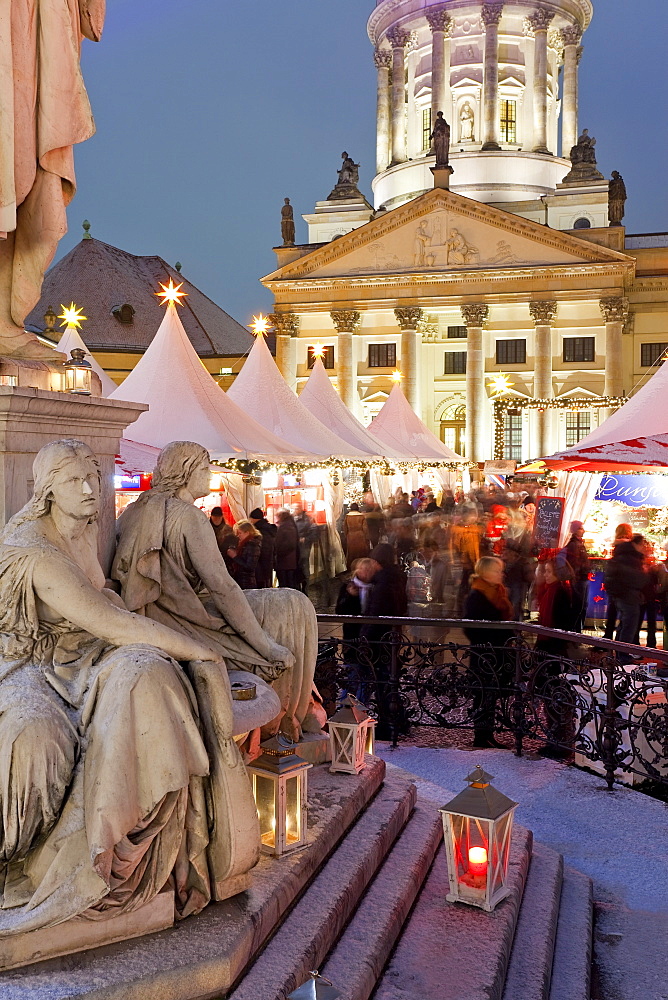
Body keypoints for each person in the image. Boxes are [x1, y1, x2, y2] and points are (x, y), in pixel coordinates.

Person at [0, 440, 261, 937]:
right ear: (47, 490)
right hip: (32, 665)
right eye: (75, 482)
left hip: (81, 657)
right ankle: (28, 860)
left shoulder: (84, 529)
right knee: (38, 737)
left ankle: (135, 830)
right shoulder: (36, 550)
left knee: (147, 676)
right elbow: (111, 623)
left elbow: (103, 601)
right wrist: (199, 649)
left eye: (92, 479)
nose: (89, 490)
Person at [113, 444, 322, 742]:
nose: (208, 474)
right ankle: (289, 717)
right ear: (186, 472)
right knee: (294, 604)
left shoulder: (132, 512)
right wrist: (264, 646)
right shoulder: (187, 517)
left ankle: (292, 713)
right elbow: (222, 587)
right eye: (203, 468)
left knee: (289, 604)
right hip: (187, 617)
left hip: (160, 614)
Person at [463, 556, 515, 749]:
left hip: (499, 652)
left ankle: (487, 734)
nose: (500, 574)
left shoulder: (498, 592)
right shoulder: (477, 595)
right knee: (483, 694)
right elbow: (470, 627)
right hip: (484, 654)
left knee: (491, 694)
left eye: (500, 570)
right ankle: (481, 735)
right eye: (496, 570)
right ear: (484, 573)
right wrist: (489, 641)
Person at [603, 535, 649, 650]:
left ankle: (619, 652)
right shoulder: (630, 557)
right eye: (643, 544)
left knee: (625, 624)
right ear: (637, 544)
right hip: (627, 595)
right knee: (629, 625)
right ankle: (623, 655)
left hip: (622, 594)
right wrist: (646, 575)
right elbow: (635, 577)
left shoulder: (624, 554)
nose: (644, 547)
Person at [603, 523, 633, 639]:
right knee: (625, 614)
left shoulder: (616, 546)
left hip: (614, 583)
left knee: (612, 612)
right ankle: (620, 640)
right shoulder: (630, 546)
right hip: (625, 584)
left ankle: (608, 636)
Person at [562, 521, 590, 631]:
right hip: (579, 579)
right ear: (576, 530)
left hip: (581, 578)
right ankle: (575, 632)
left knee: (581, 606)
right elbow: (574, 563)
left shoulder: (578, 543)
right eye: (581, 528)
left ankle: (576, 632)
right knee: (578, 606)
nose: (583, 530)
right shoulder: (574, 545)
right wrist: (577, 576)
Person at [228, 519, 262, 590]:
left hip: (247, 583)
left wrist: (235, 556)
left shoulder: (253, 545)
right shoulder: (244, 544)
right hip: (241, 580)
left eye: (240, 533)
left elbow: (250, 566)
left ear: (247, 533)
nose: (238, 536)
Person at [249, 507, 277, 588]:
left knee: (262, 586)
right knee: (266, 584)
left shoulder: (260, 531)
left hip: (261, 563)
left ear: (254, 519)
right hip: (268, 562)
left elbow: (264, 550)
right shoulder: (268, 529)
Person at [292, 504, 318, 592]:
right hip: (293, 549)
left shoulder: (308, 519)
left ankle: (305, 590)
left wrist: (305, 539)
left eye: (296, 508)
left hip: (304, 548)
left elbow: (315, 533)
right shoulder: (291, 519)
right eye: (293, 508)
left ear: (300, 509)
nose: (294, 510)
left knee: (304, 568)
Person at [274, 508, 301, 590]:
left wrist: (277, 553)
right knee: (288, 583)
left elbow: (288, 545)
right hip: (289, 561)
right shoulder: (290, 525)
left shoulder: (285, 527)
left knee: (285, 584)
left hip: (285, 562)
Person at [344, 503, 370, 568]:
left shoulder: (347, 516)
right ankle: (361, 566)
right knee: (361, 551)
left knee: (351, 552)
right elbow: (365, 528)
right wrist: (367, 537)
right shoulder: (361, 516)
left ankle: (351, 566)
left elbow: (345, 527)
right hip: (360, 535)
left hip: (350, 535)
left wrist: (346, 535)